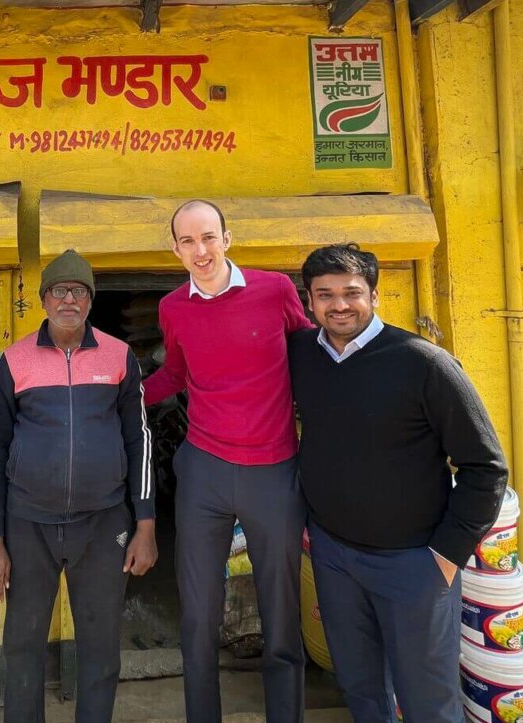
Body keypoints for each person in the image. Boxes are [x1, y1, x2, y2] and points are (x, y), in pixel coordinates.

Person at [289, 243, 508, 722]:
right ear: (309, 302)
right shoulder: (302, 355)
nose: (339, 304)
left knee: (427, 697)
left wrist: (446, 557)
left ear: (375, 295)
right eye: (325, 294)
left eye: (352, 293)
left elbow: (486, 468)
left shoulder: (423, 363)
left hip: (413, 563)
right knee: (361, 685)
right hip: (334, 556)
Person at [143, 200, 312, 723]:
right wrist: (114, 400)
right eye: (188, 241)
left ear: (227, 238)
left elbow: (310, 353)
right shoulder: (173, 308)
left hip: (275, 471)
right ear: (175, 248)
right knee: (197, 613)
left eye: (209, 237)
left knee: (281, 612)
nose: (201, 251)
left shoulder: (274, 290)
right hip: (204, 471)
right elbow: (174, 373)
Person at [0, 249, 157, 723]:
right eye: (59, 290)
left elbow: (138, 439)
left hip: (103, 525)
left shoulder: (120, 356)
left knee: (100, 648)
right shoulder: (14, 360)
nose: (69, 300)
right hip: (26, 525)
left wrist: (145, 524)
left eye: (79, 291)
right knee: (22, 645)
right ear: (43, 300)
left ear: (90, 300)